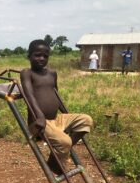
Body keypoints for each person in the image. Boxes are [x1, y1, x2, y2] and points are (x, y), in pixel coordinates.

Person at [20, 40, 93, 175]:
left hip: (56, 119)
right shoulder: (27, 73)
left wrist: (67, 115)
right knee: (64, 142)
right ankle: (56, 161)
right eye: (37, 55)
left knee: (86, 120)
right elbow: (29, 95)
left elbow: (57, 96)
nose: (42, 58)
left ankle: (54, 159)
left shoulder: (52, 74)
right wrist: (40, 116)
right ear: (29, 56)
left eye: (45, 56)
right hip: (39, 123)